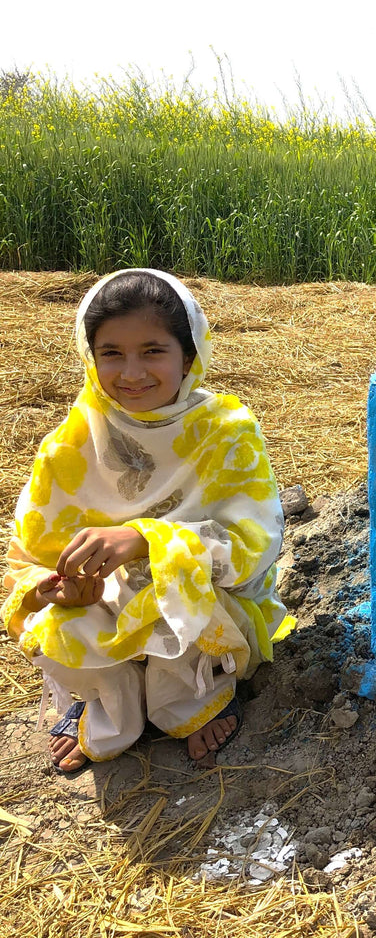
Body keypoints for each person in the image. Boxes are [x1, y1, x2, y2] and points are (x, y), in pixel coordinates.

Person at [1, 269, 289, 775]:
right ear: (91, 357)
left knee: (167, 586)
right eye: (112, 353)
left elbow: (251, 548)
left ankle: (188, 700)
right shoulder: (71, 441)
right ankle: (113, 702)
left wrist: (144, 540)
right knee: (54, 621)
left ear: (190, 356)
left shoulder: (226, 433)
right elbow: (27, 557)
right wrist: (55, 588)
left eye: (153, 350)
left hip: (207, 603)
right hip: (108, 608)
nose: (131, 372)